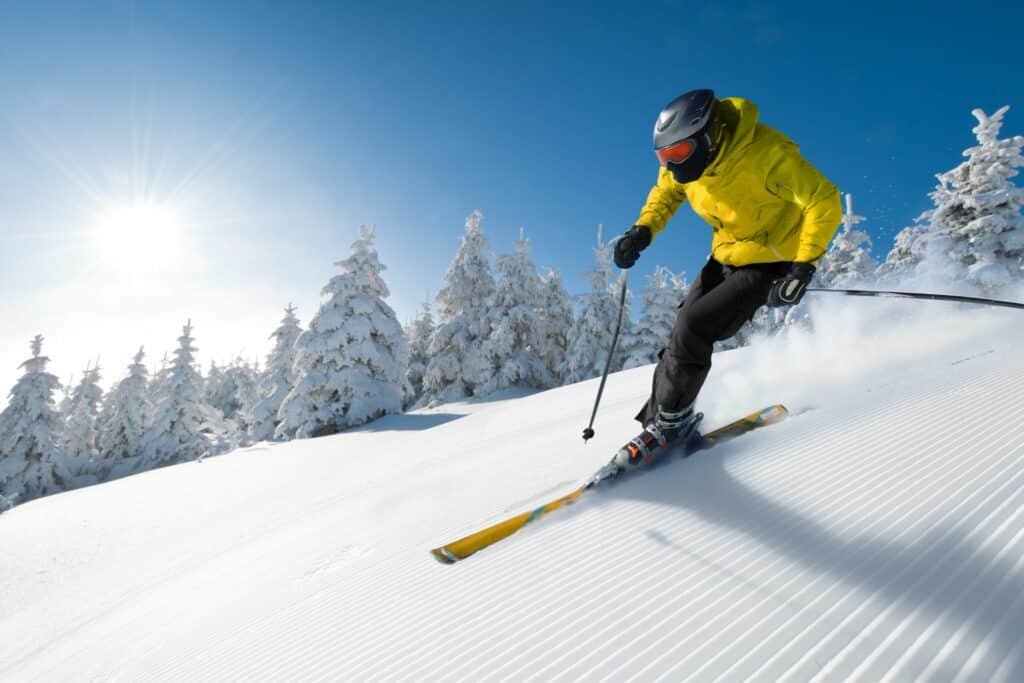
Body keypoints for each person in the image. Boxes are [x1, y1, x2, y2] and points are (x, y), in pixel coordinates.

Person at [612, 89, 841, 470]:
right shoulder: (685, 163)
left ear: (708, 135)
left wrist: (803, 267)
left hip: (771, 260)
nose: (671, 165)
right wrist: (642, 231)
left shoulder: (766, 156)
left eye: (679, 154)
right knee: (680, 332)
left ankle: (670, 428)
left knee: (695, 326)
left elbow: (824, 199)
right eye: (663, 157)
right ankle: (661, 423)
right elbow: (665, 194)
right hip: (726, 254)